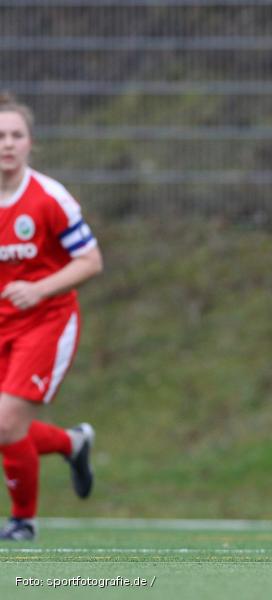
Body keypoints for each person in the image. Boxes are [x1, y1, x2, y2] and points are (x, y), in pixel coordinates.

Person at [0, 93, 102, 541]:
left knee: (6, 422)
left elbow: (90, 261)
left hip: (47, 320)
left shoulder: (49, 198)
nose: (7, 144)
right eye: (0, 136)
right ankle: (71, 443)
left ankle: (23, 521)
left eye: (16, 135)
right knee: (6, 426)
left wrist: (38, 288)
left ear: (30, 143)